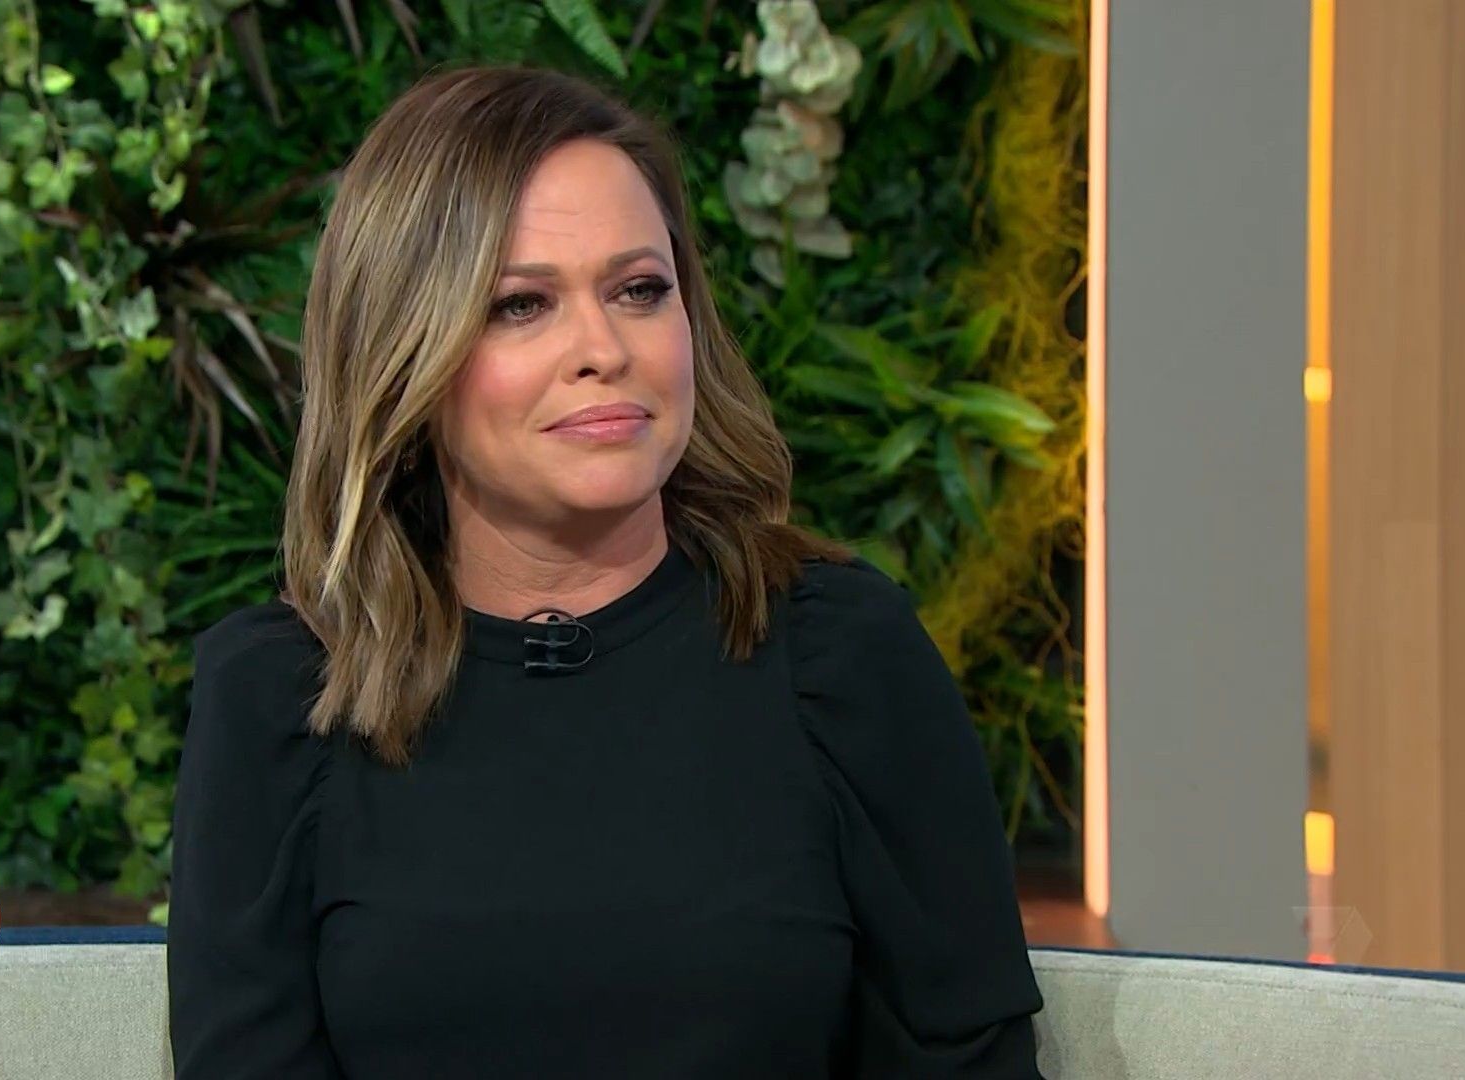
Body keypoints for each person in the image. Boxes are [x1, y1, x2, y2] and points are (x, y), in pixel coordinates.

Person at [166, 63, 1047, 1079]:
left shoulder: (843, 654)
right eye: (521, 304)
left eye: (639, 290)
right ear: (405, 352)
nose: (604, 348)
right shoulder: (280, 696)